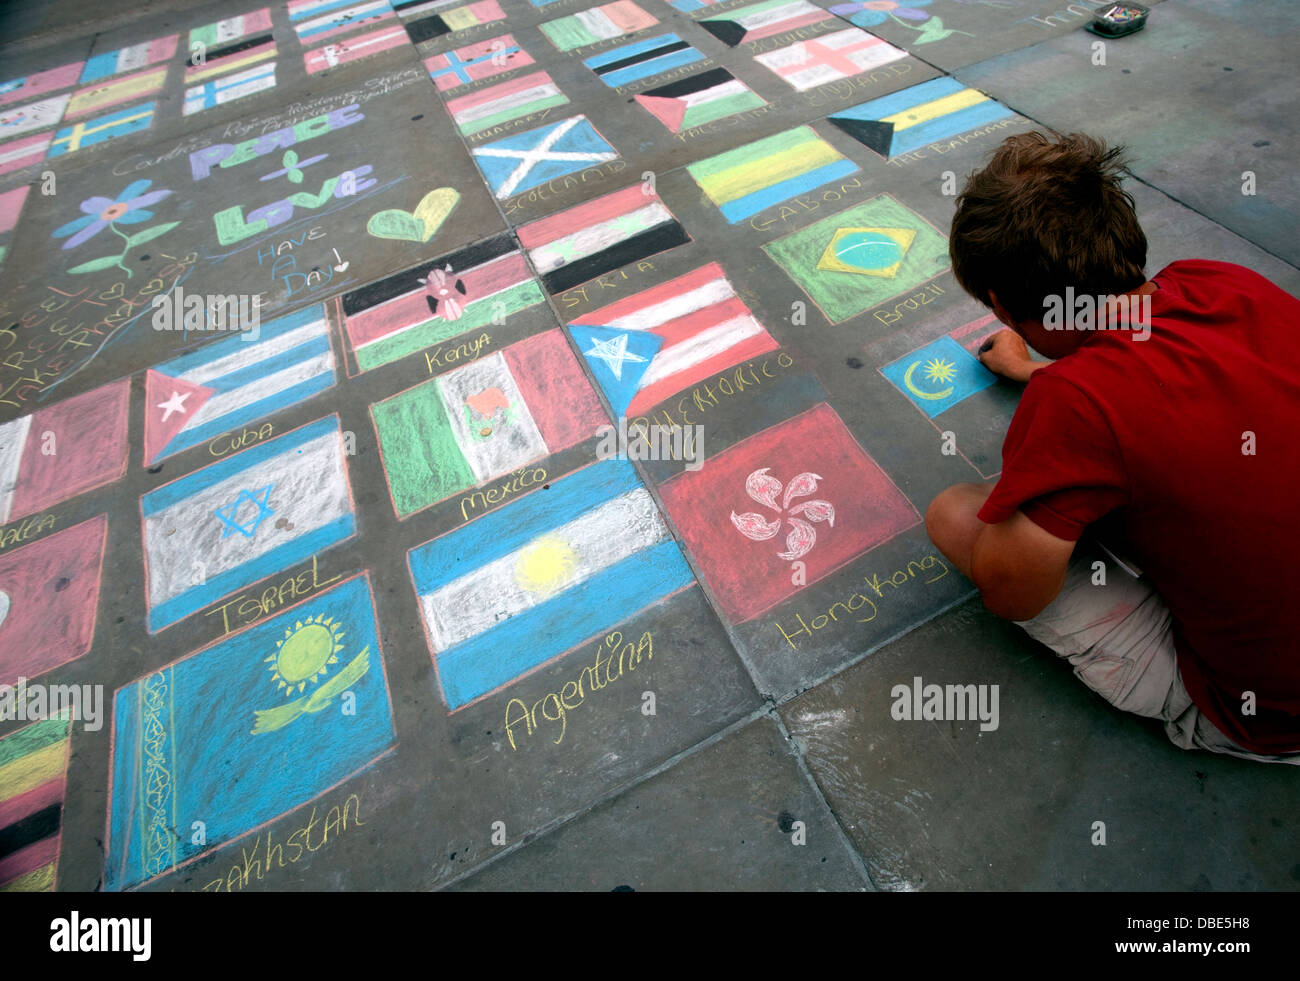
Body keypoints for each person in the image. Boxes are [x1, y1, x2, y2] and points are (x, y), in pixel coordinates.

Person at [924, 130, 1300, 762]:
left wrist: (1056, 401)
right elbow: (1173, 384)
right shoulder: (1224, 282)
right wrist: (1038, 372)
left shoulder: (1076, 404)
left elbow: (1012, 592)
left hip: (1265, 715)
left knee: (958, 513)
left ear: (998, 304)